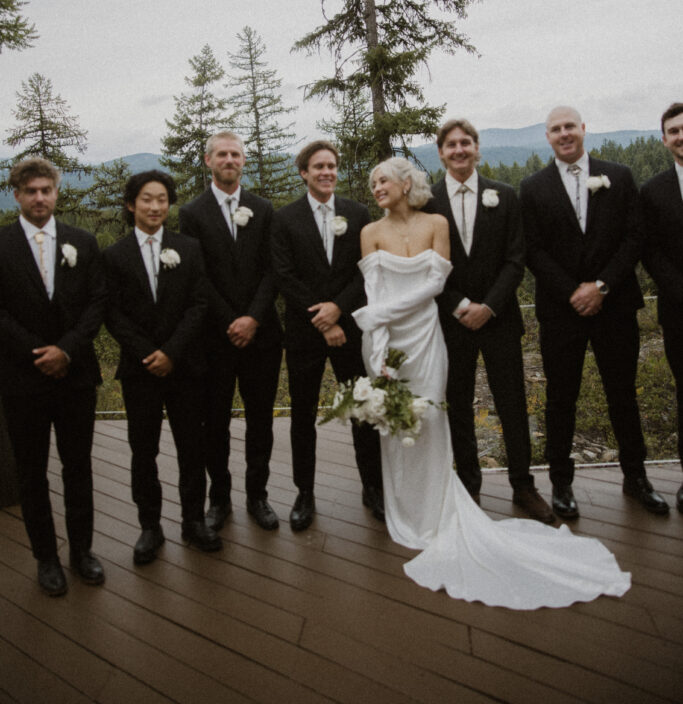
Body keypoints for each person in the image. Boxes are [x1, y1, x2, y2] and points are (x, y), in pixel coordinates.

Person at [352, 157, 631, 608]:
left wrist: (378, 315)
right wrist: (378, 342)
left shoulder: (436, 222)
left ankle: (451, 503)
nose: (376, 187)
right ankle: (403, 507)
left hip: (426, 334)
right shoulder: (369, 232)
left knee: (434, 417)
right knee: (397, 422)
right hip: (387, 338)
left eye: (383, 179)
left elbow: (439, 281)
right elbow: (374, 293)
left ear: (405, 184)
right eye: (373, 182)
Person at [519, 106, 668, 519]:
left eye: (570, 126)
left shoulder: (618, 176)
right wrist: (573, 292)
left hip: (614, 305)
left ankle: (636, 478)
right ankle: (561, 484)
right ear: (547, 137)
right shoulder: (532, 187)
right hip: (561, 310)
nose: (564, 133)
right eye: (556, 129)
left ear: (583, 129)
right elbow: (533, 249)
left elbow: (635, 237)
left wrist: (601, 286)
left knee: (623, 394)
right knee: (560, 398)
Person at [425, 119, 552, 523]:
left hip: (500, 320)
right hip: (452, 322)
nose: (459, 150)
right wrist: (460, 305)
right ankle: (469, 487)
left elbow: (516, 258)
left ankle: (523, 486)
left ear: (477, 149)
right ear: (441, 153)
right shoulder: (427, 202)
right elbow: (425, 264)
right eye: (451, 144)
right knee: (458, 405)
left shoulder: (505, 195)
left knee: (512, 404)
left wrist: (489, 306)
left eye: (466, 142)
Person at [0, 158, 106, 596]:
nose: (40, 198)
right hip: (22, 379)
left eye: (46, 190)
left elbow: (97, 302)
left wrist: (66, 350)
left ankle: (82, 552)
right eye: (31, 191)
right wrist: (38, 353)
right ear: (16, 196)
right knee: (32, 473)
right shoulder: (2, 245)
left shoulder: (83, 242)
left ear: (57, 193)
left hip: (75, 374)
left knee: (78, 467)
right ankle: (46, 558)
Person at [103, 170, 220, 563]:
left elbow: (199, 303)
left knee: (192, 448)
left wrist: (171, 351)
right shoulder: (114, 256)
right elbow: (113, 313)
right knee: (143, 450)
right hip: (140, 371)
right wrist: (147, 353)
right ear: (131, 204)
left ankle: (193, 521)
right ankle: (150, 527)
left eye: (162, 200)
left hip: (185, 366)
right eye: (147, 199)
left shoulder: (189, 248)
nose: (155, 207)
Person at [271, 140, 383, 531]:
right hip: (305, 333)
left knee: (362, 408)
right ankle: (304, 493)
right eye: (318, 166)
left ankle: (373, 487)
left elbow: (364, 270)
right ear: (304, 172)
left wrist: (338, 308)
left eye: (331, 166)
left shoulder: (357, 213)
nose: (326, 172)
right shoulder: (285, 218)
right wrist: (323, 318)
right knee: (302, 415)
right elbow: (284, 275)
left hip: (349, 328)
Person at [179, 132, 282, 531]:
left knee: (261, 421)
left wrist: (253, 318)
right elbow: (197, 275)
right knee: (214, 422)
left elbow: (273, 269)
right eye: (221, 154)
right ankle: (219, 499)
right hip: (214, 338)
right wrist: (230, 320)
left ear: (244, 160)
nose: (229, 160)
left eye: (235, 154)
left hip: (262, 336)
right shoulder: (192, 213)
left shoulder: (263, 208)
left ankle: (258, 495)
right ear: (208, 160)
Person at [640, 102, 683, 514]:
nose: (681, 136)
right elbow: (650, 251)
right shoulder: (654, 191)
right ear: (664, 139)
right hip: (679, 310)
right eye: (674, 131)